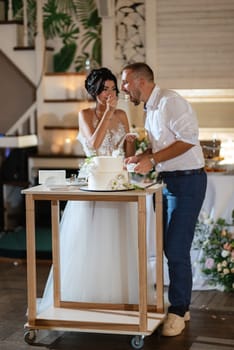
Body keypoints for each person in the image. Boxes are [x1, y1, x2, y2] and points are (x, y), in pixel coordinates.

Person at [39, 67, 154, 312]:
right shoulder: (84, 115)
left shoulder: (123, 115)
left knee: (118, 241)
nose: (109, 94)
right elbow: (93, 145)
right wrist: (106, 113)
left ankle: (119, 298)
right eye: (104, 89)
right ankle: (83, 300)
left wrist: (132, 144)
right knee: (89, 242)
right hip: (94, 183)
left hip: (117, 182)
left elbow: (128, 155)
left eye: (113, 89)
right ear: (94, 91)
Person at [121, 62, 207, 336]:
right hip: (169, 182)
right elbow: (163, 145)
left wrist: (153, 159)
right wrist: (143, 155)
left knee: (176, 249)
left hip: (189, 182)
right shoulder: (151, 107)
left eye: (125, 82)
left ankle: (179, 310)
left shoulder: (171, 101)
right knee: (168, 247)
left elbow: (189, 139)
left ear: (139, 81)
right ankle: (182, 305)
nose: (124, 88)